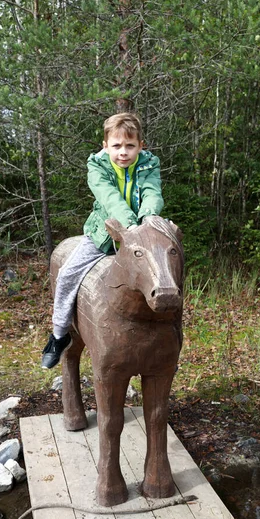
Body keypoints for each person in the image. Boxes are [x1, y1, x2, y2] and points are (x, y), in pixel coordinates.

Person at [41, 112, 164, 369]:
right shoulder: (97, 166)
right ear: (105, 146)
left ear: (141, 146)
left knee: (164, 274)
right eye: (117, 146)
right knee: (67, 275)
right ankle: (59, 334)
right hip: (103, 235)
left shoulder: (149, 164)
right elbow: (109, 198)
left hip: (141, 233)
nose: (123, 152)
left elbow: (153, 193)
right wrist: (128, 224)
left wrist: (148, 219)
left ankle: (165, 344)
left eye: (130, 146)